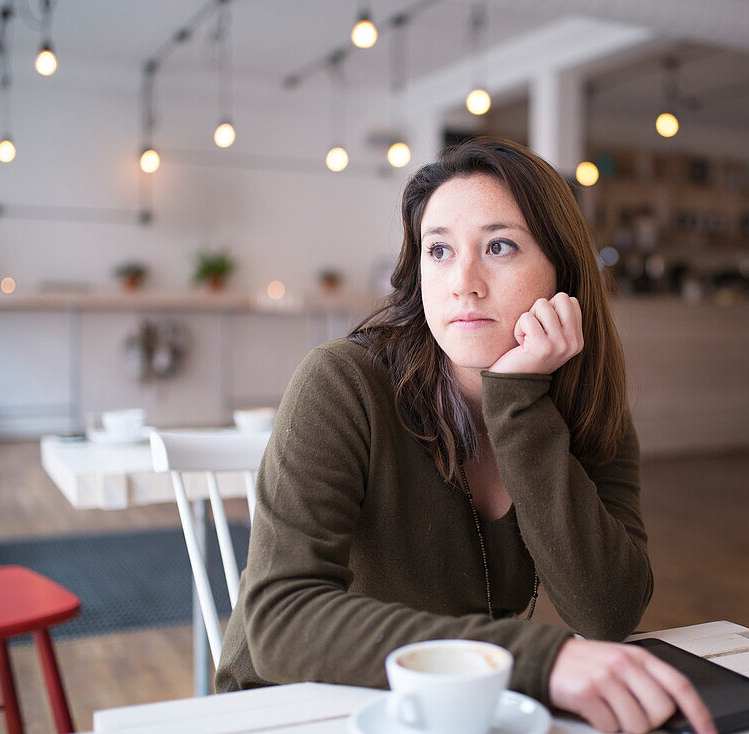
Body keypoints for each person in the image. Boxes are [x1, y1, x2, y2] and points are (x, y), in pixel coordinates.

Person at [215, 137, 715, 734]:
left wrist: (518, 404)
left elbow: (606, 612)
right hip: (294, 709)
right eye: (440, 250)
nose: (463, 282)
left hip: (451, 710)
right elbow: (281, 620)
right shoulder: (342, 383)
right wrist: (537, 660)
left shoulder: (586, 408)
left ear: (564, 270)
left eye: (499, 247)